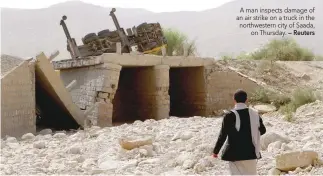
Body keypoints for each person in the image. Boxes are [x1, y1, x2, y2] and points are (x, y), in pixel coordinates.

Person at [212, 89, 266, 175]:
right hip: (250, 152)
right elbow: (263, 131)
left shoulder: (229, 115)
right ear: (246, 99)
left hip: (234, 154)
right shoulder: (255, 114)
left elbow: (223, 135)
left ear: (234, 100)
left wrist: (215, 152)